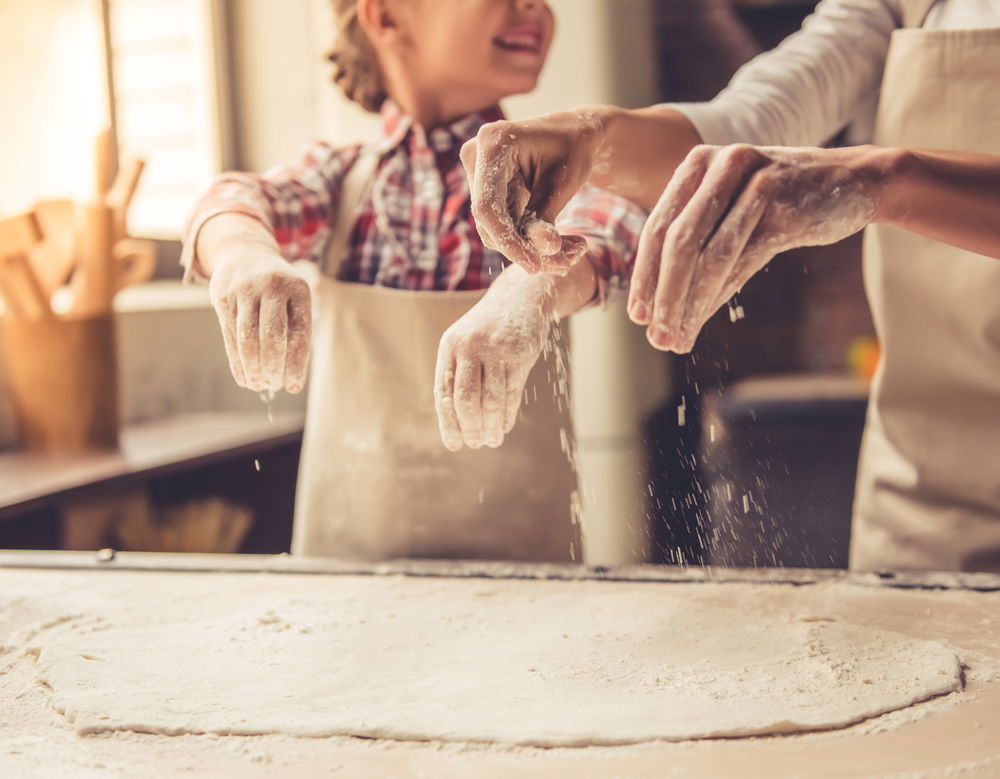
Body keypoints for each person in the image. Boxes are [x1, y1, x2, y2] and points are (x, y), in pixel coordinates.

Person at [460, 0, 1000, 572]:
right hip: (924, 493)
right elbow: (750, 121)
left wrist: (885, 179)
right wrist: (590, 134)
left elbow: (863, 172)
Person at [180, 0, 645, 561]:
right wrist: (244, 255)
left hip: (523, 575)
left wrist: (528, 291)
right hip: (350, 577)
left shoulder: (551, 180)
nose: (534, 7)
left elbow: (612, 226)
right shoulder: (339, 178)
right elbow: (232, 200)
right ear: (387, 17)